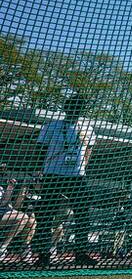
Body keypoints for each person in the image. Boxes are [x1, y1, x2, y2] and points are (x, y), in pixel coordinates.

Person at [35, 94, 97, 266]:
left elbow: (89, 149)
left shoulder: (87, 127)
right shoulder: (51, 126)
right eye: (73, 107)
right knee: (46, 215)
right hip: (53, 174)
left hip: (76, 176)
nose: (76, 111)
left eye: (79, 108)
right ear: (66, 108)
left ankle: (81, 253)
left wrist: (83, 167)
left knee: (83, 213)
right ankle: (43, 254)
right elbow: (40, 149)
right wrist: (40, 171)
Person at [0, 172, 37, 263]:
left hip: (6, 213)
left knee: (31, 221)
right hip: (3, 214)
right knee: (22, 217)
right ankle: (2, 248)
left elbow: (7, 203)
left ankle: (25, 249)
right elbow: (3, 204)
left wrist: (10, 187)